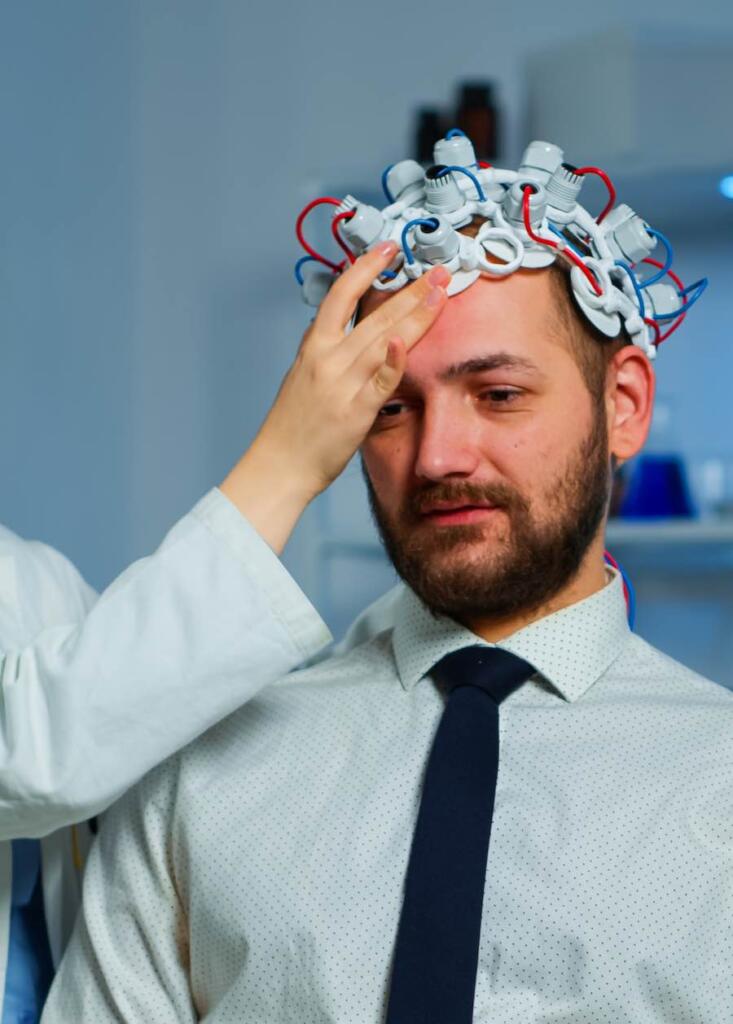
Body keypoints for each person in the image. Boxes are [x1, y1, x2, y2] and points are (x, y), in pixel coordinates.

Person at [42, 149, 732, 1023]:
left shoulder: (720, 781)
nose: (439, 456)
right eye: (390, 408)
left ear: (624, 405)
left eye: (499, 392)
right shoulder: (199, 775)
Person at [0, 243, 445, 1024]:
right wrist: (285, 462)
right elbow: (40, 751)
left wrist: (422, 641)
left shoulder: (26, 576)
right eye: (396, 407)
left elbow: (163, 713)